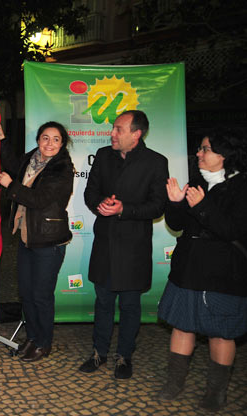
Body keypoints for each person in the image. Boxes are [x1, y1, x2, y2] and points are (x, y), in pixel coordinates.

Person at [157, 128, 247, 411]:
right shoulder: (197, 181)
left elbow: (233, 230)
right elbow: (178, 224)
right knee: (182, 325)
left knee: (222, 332)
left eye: (205, 149)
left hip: (223, 274)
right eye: (200, 148)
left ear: (224, 154)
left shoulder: (241, 187)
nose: (199, 153)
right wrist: (174, 202)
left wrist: (204, 206)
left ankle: (215, 392)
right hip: (189, 270)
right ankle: (174, 382)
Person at [79, 110, 169, 379]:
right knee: (103, 301)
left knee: (130, 304)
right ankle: (99, 353)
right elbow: (90, 191)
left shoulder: (156, 162)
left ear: (136, 134)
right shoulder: (104, 156)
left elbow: (158, 205)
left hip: (133, 247)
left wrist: (123, 209)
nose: (112, 134)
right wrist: (101, 204)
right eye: (113, 129)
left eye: (119, 129)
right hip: (105, 242)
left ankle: (124, 356)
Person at [0, 121, 74, 363]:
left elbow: (39, 198)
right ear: (38, 140)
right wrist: (1, 140)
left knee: (41, 295)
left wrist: (11, 186)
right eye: (45, 138)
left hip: (48, 240)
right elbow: (12, 165)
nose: (49, 143)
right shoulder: (31, 159)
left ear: (62, 144)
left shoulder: (62, 168)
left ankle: (43, 343)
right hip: (27, 236)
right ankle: (31, 338)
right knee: (27, 294)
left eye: (55, 139)